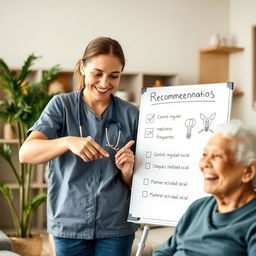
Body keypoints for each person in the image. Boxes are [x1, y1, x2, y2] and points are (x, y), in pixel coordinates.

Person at [19, 37, 139, 256]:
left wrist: (128, 172)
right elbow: (26, 153)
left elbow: (138, 183)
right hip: (69, 223)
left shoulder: (131, 115)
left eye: (114, 76)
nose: (105, 83)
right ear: (83, 68)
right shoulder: (61, 106)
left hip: (116, 225)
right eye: (97, 73)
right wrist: (67, 141)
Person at [153, 120, 256, 256]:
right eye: (204, 155)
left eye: (218, 156)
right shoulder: (197, 208)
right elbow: (163, 253)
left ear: (248, 171)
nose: (204, 164)